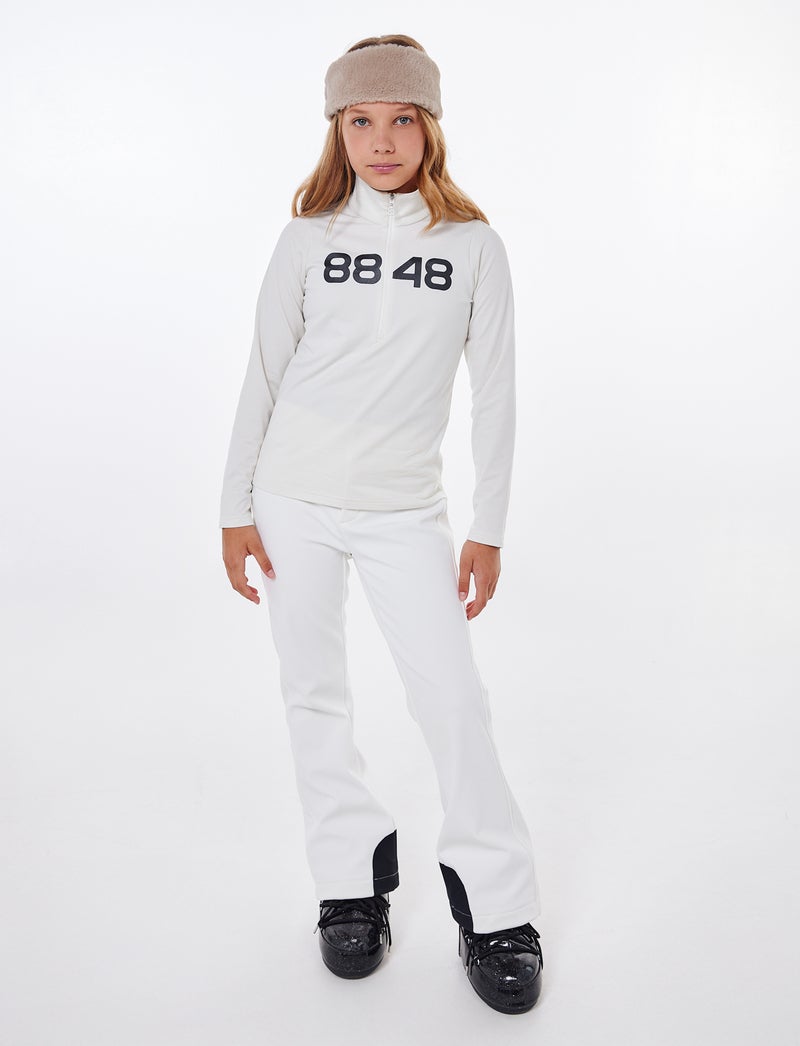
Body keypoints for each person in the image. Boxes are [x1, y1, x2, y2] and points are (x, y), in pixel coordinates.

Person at [219, 34, 544, 1013]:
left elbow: (496, 395)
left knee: (453, 700)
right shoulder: (306, 239)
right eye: (360, 120)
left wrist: (487, 526)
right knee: (313, 692)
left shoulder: (473, 247)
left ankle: (498, 908)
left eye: (401, 118)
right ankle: (348, 887)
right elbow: (263, 372)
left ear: (429, 126)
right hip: (293, 498)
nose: (381, 140)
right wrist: (234, 505)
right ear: (338, 130)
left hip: (407, 509)